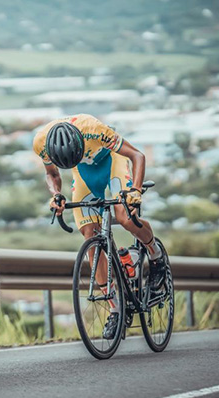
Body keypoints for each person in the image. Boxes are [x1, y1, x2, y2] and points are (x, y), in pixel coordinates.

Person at [32, 114, 167, 339]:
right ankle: (115, 308)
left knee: (124, 217)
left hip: (112, 162)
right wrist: (56, 194)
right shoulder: (40, 142)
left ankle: (155, 253)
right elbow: (52, 174)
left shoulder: (94, 129)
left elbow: (137, 155)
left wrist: (135, 191)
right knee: (89, 235)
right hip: (84, 173)